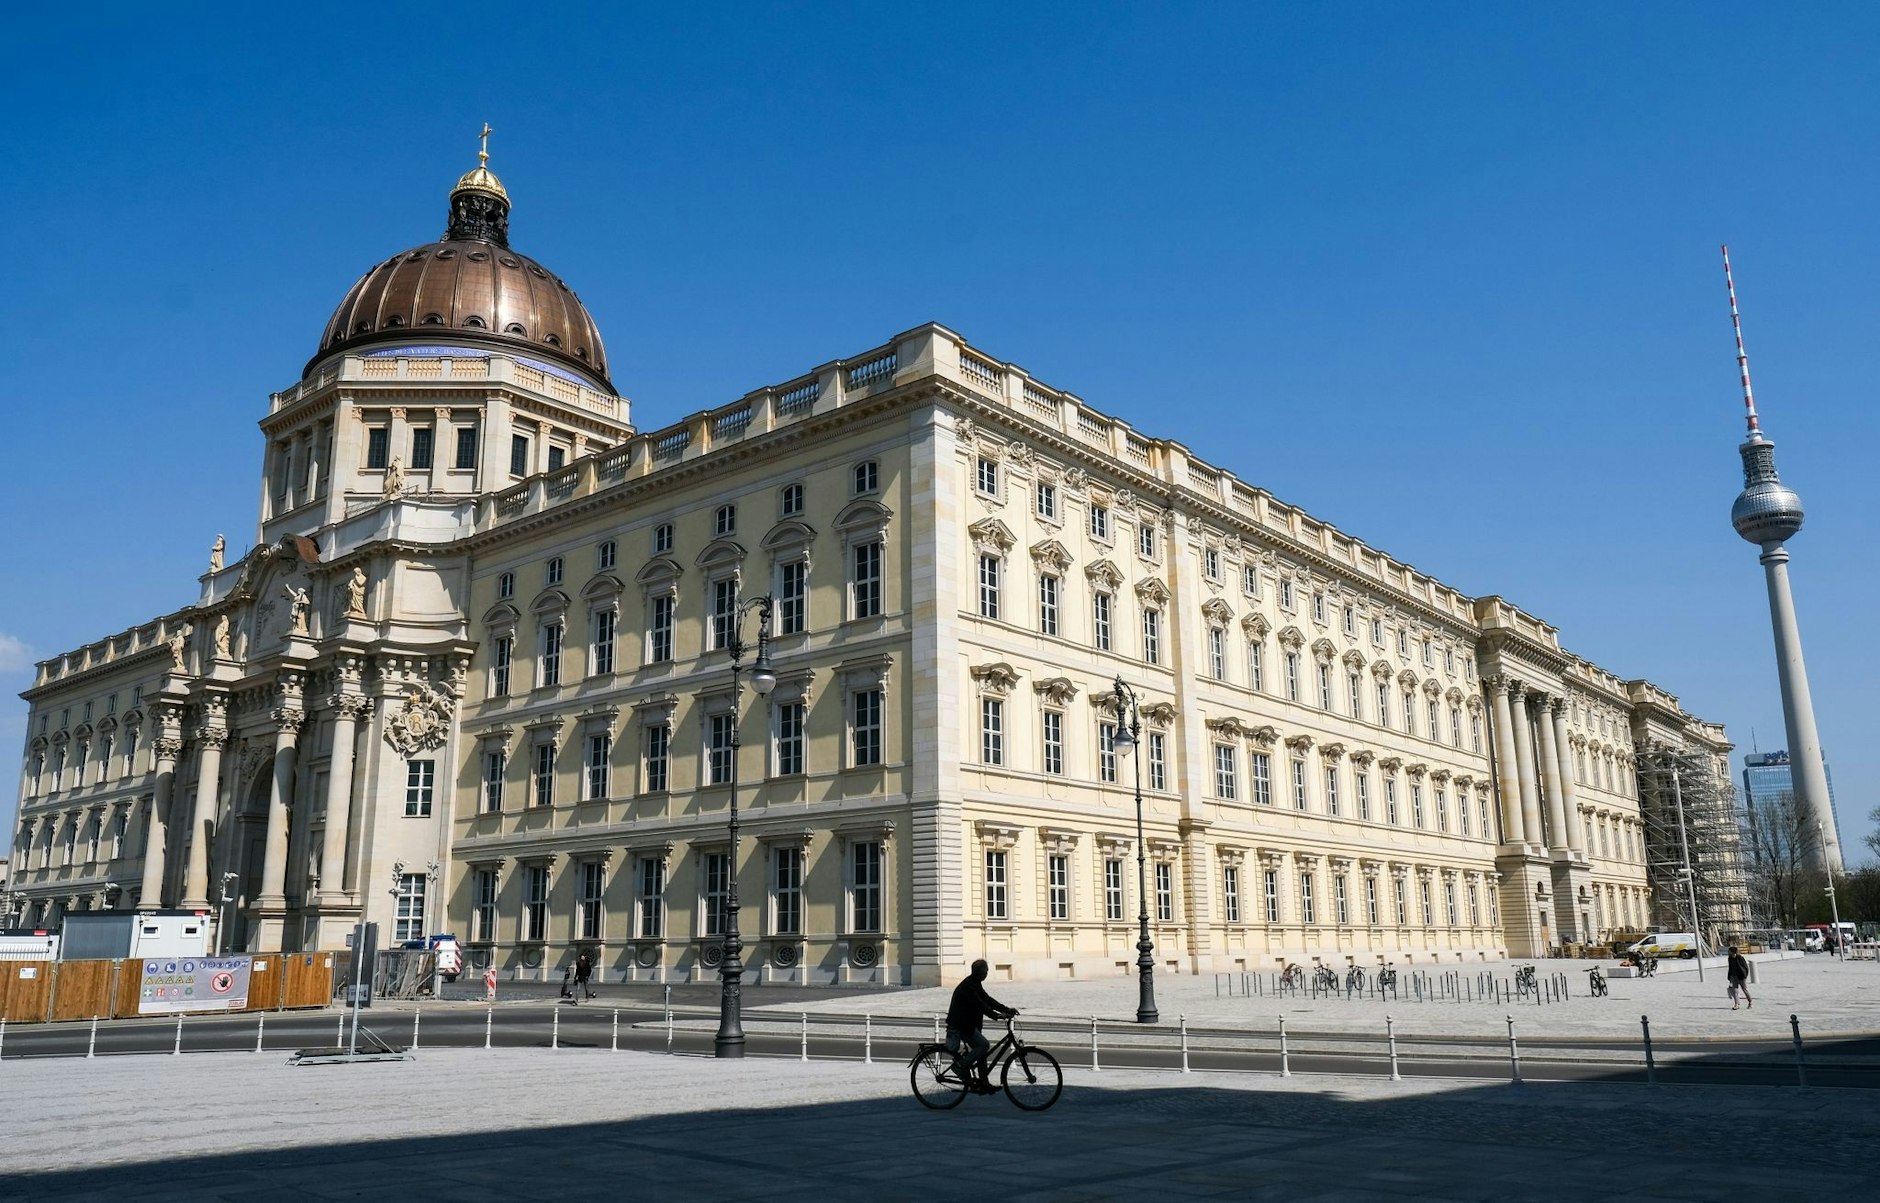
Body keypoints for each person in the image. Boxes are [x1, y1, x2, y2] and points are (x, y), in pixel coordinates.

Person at [945, 959, 1016, 1093]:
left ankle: (984, 1084)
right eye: (986, 970)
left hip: (968, 1024)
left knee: (981, 1053)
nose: (987, 972)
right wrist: (996, 1015)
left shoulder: (975, 983)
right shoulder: (969, 986)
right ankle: (960, 1067)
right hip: (961, 1025)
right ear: (981, 972)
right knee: (984, 1045)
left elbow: (987, 999)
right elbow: (980, 1004)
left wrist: (1006, 1010)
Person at [1727, 946, 1753, 1010]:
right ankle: (1736, 1004)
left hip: (1741, 976)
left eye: (1729, 951)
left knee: (1744, 990)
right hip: (1733, 976)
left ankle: (1750, 1002)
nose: (1728, 952)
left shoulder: (1740, 958)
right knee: (1735, 990)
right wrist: (1729, 977)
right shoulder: (1730, 958)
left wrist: (1745, 975)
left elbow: (1745, 967)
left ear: (1733, 952)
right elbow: (1730, 968)